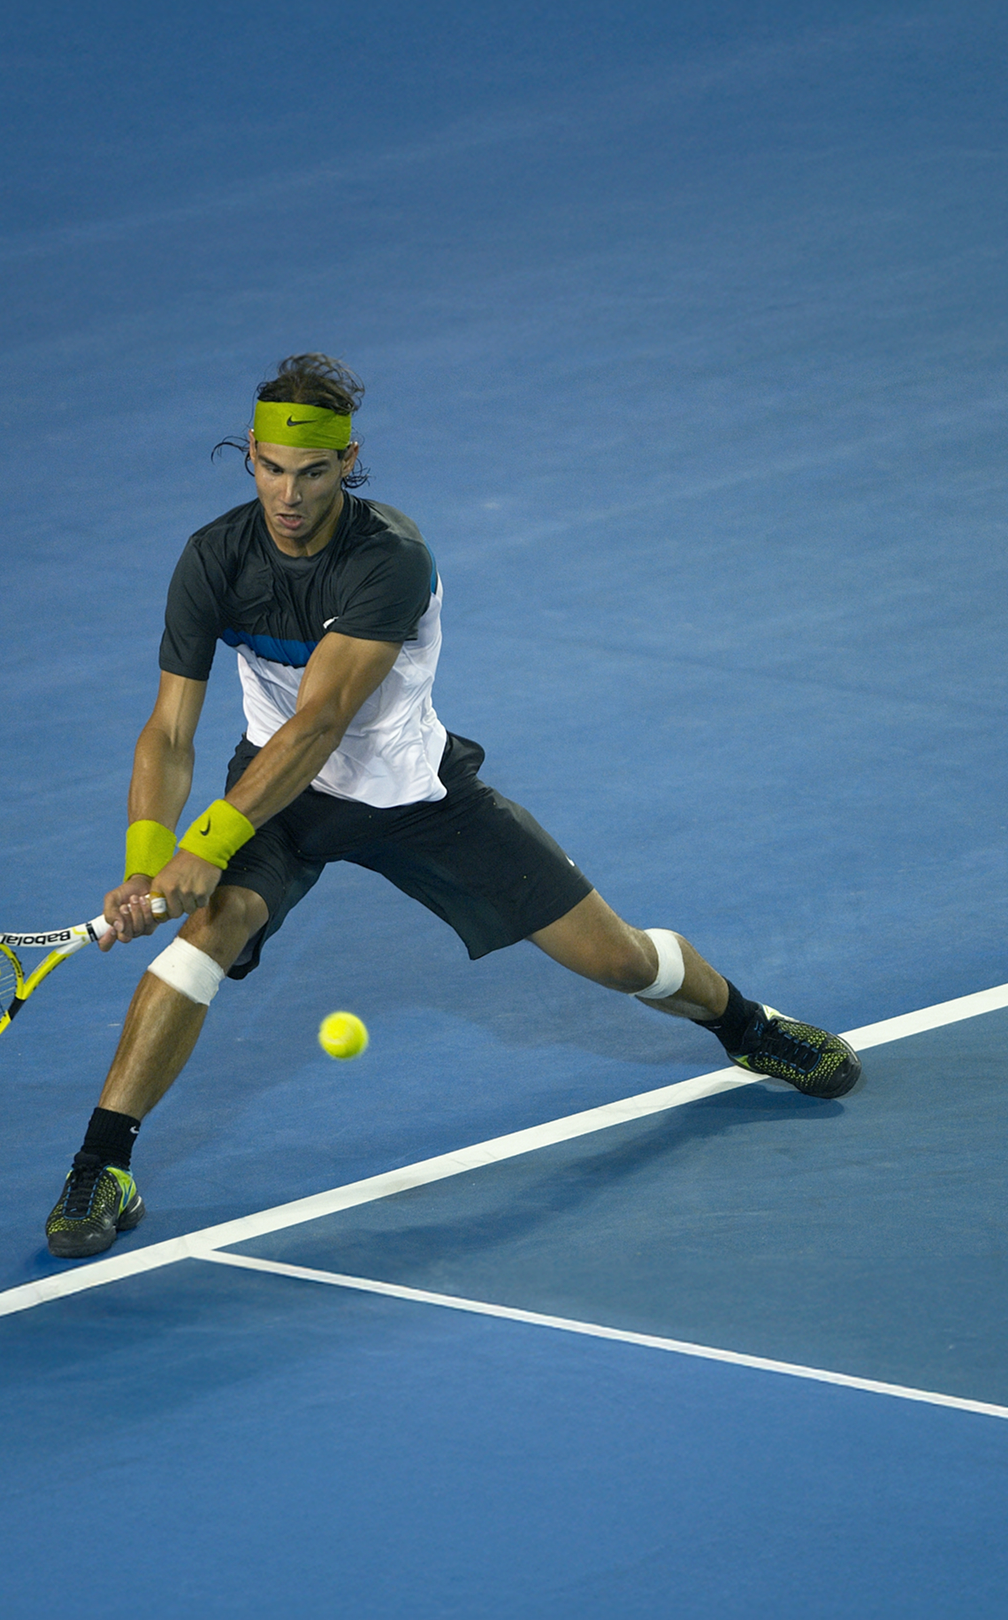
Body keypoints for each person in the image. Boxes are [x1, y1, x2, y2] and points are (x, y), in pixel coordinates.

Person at [44, 354, 861, 1259]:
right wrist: (146, 858)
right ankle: (101, 1164)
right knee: (208, 932)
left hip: (411, 797)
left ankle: (747, 1026)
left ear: (347, 461)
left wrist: (208, 839)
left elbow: (318, 724)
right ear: (249, 460)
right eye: (272, 468)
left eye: (312, 472)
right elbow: (166, 733)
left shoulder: (389, 559)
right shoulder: (212, 558)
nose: (289, 493)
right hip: (274, 797)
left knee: (618, 961)